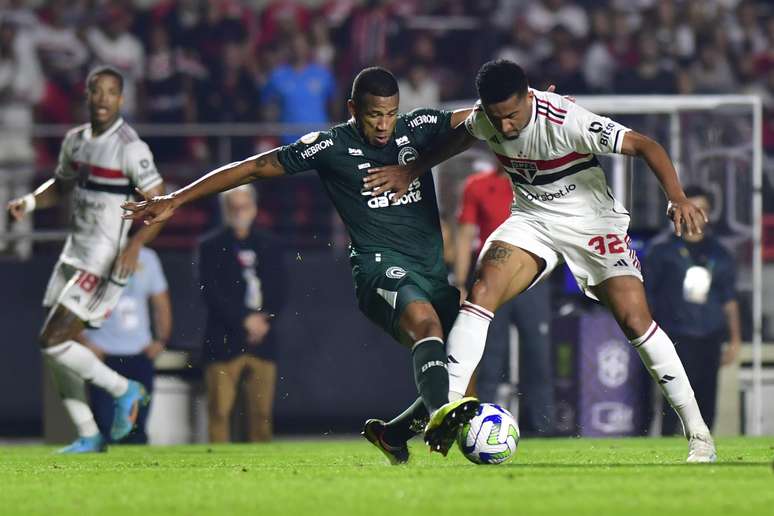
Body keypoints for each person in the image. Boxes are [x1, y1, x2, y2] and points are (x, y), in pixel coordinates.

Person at [364, 59, 717, 462]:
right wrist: (414, 170)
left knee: (636, 320)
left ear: (529, 97)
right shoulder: (487, 119)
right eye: (498, 119)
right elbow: (463, 136)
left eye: (513, 116)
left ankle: (699, 435)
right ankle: (447, 405)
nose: (507, 127)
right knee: (482, 289)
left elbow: (644, 145)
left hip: (593, 226)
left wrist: (677, 197)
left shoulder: (567, 120)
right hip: (532, 222)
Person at [122, 67, 479, 463]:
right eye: (374, 114)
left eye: (390, 114)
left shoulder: (420, 126)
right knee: (426, 324)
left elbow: (481, 116)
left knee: (461, 364)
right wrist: (176, 199)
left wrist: (537, 103)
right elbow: (255, 167)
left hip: (429, 267)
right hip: (381, 267)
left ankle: (394, 434)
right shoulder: (329, 146)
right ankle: (439, 415)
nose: (383, 124)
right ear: (352, 109)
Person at [6, 66, 165, 453]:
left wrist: (133, 247)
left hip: (103, 259)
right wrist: (28, 202)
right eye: (97, 91)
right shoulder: (75, 141)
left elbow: (161, 206)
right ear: (88, 96)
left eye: (112, 92)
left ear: (122, 99)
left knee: (52, 342)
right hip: (73, 253)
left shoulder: (130, 146)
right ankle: (89, 433)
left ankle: (124, 388)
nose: (104, 99)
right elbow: (60, 185)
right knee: (59, 350)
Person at [455, 160, 555, 435]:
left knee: (539, 355)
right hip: (492, 282)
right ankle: (481, 425)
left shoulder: (542, 183)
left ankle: (543, 428)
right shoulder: (477, 186)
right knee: (489, 356)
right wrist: (461, 283)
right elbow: (466, 235)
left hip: (534, 281)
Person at [645, 186, 741, 435]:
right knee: (673, 398)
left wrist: (735, 339)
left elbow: (729, 299)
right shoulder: (661, 250)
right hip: (675, 335)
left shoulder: (719, 253)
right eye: (690, 209)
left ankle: (704, 448)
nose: (695, 216)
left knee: (708, 399)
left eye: (701, 210)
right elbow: (647, 296)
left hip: (709, 334)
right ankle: (666, 448)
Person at [198, 185, 284, 443]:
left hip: (263, 341)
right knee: (220, 412)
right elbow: (211, 292)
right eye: (233, 206)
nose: (239, 211)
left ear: (254, 208)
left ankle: (261, 476)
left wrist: (264, 319)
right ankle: (218, 472)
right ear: (225, 210)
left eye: (244, 205)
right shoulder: (210, 246)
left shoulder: (270, 244)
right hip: (224, 340)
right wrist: (245, 319)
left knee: (261, 415)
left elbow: (281, 289)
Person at [79, 246, 172, 444]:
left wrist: (161, 340)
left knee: (137, 426)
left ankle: (138, 474)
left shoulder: (147, 257)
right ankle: (102, 474)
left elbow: (161, 302)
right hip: (103, 354)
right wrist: (85, 342)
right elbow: (71, 304)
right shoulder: (89, 255)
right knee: (105, 424)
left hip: (139, 352)